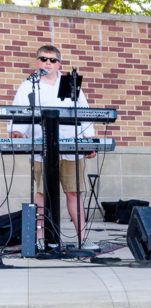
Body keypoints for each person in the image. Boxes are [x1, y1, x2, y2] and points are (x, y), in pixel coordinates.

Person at [8, 45, 97, 251]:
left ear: (60, 64)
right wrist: (17, 132)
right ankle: (39, 239)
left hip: (70, 148)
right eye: (43, 59)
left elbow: (84, 113)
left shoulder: (71, 85)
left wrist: (89, 140)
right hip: (42, 149)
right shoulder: (29, 85)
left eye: (52, 60)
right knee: (40, 194)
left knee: (74, 193)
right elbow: (19, 113)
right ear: (37, 62)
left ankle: (83, 238)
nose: (48, 63)